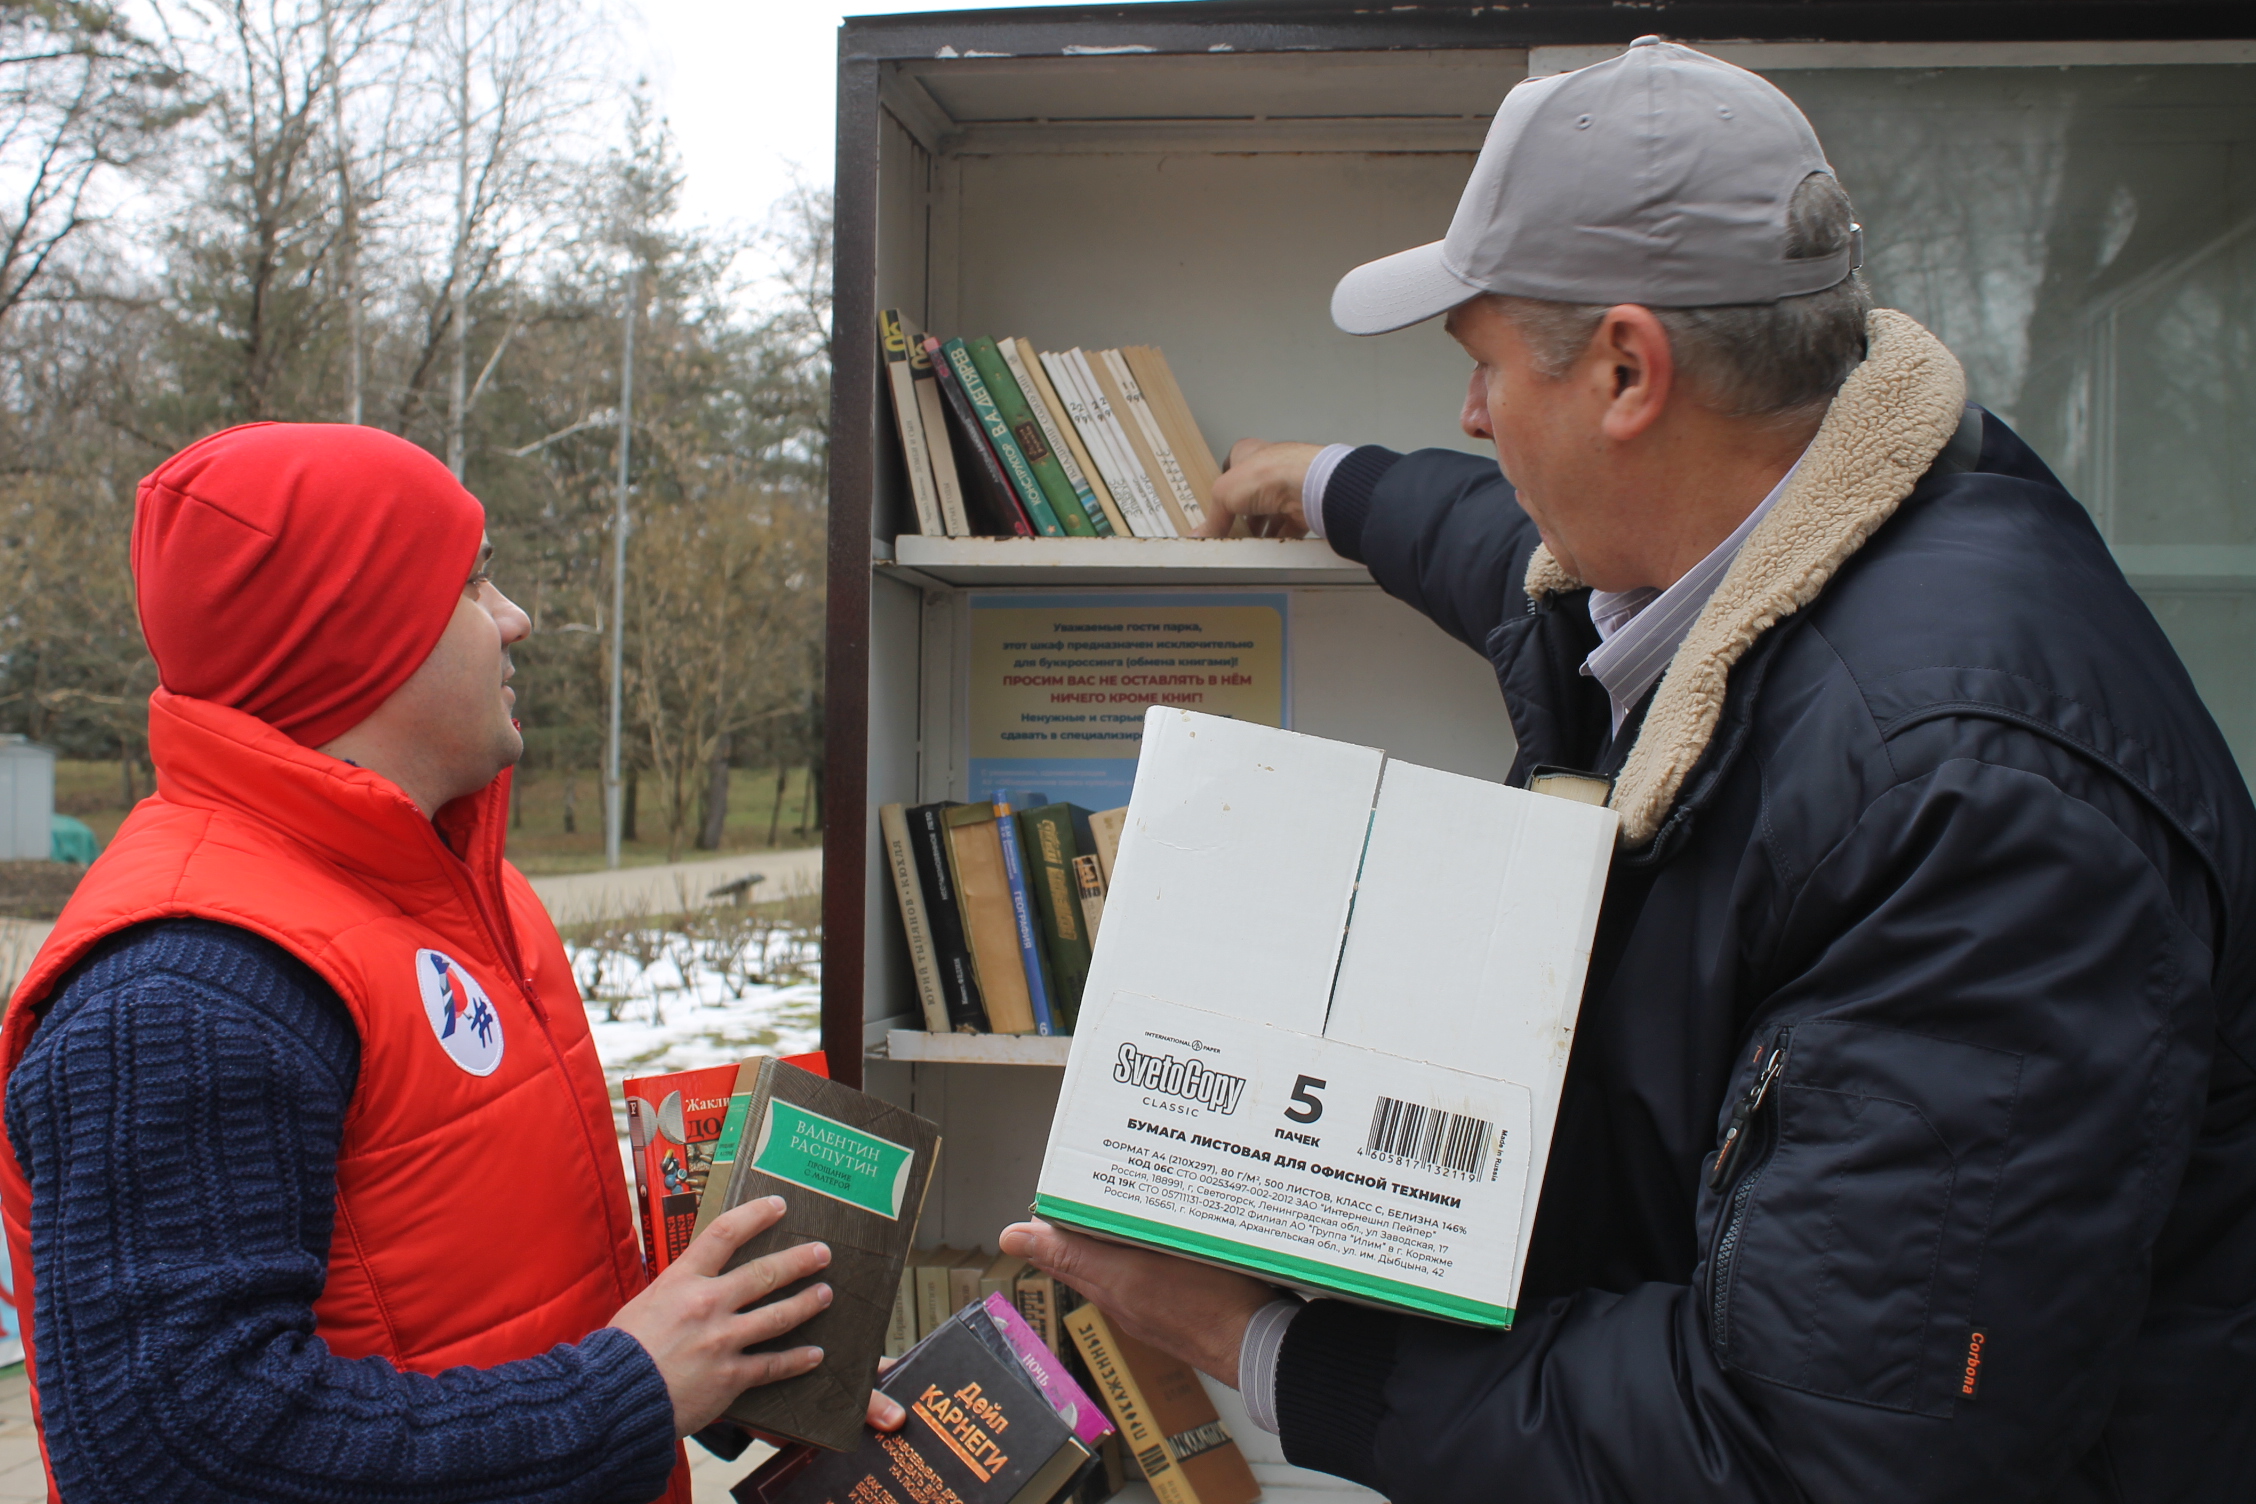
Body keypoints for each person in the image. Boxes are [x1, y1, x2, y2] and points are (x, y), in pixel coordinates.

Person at [1003, 37, 2256, 1502]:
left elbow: (1814, 1451)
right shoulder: (1794, 534)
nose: (1470, 417)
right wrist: (1329, 480)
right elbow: (1513, 561)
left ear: (1624, 370)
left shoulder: (1972, 799)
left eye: (1479, 367)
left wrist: (1262, 1348)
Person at [0, 422, 901, 1503]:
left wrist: (741, 1363)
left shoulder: (458, 888)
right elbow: (181, 1454)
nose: (515, 618)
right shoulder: (181, 987)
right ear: (359, 634)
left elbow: (490, 1295)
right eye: (473, 586)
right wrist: (630, 1391)